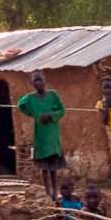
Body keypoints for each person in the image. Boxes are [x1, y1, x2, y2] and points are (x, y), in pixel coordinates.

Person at [17, 70, 66, 200]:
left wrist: (51, 115)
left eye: (40, 79)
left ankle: (55, 191)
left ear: (45, 80)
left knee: (53, 167)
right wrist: (34, 115)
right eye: (35, 80)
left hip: (52, 134)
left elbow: (62, 110)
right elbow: (20, 105)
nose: (38, 83)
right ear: (31, 83)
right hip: (40, 135)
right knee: (44, 167)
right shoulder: (30, 98)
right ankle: (47, 191)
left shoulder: (53, 95)